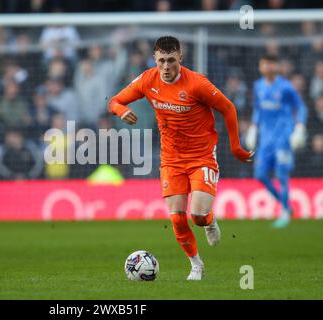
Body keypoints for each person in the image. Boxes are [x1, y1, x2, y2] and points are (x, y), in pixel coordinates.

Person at [108, 36, 253, 280]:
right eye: (162, 60)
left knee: (196, 215)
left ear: (180, 58)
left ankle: (208, 221)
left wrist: (236, 147)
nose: (166, 67)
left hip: (201, 156)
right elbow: (114, 101)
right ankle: (196, 265)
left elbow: (228, 108)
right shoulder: (147, 79)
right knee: (176, 218)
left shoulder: (197, 84)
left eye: (171, 60)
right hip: (171, 158)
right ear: (154, 59)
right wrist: (122, 111)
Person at [246, 54, 308, 229]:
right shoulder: (258, 86)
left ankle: (285, 211)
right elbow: (257, 109)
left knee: (282, 175)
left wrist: (300, 126)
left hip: (283, 139)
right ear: (260, 67)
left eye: (271, 64)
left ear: (276, 66)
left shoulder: (286, 87)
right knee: (260, 175)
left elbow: (301, 107)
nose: (268, 67)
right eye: (265, 64)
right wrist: (253, 128)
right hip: (265, 141)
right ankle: (287, 205)